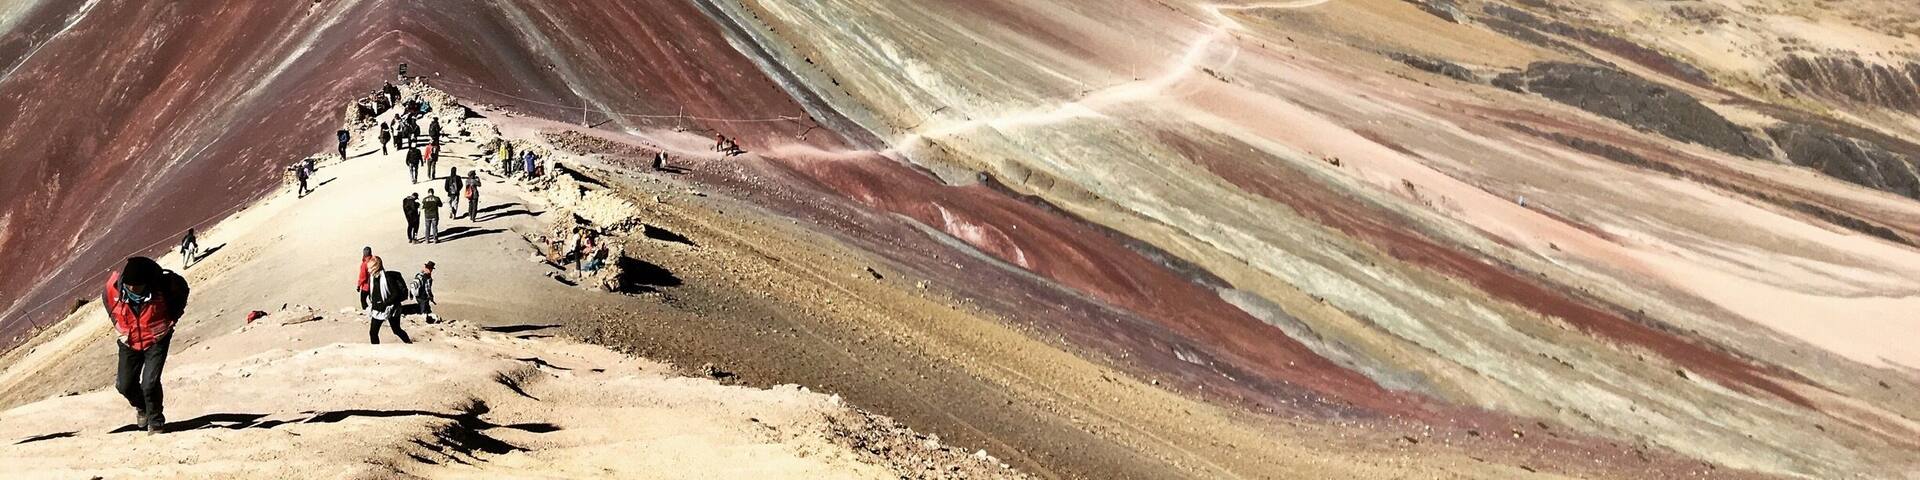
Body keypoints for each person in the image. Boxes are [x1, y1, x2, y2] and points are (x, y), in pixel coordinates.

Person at [103, 257, 189, 434]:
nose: (133, 290)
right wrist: (118, 325)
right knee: (124, 385)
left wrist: (172, 319)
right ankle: (142, 408)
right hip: (129, 340)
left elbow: (182, 294)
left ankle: (156, 422)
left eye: (138, 287)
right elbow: (107, 302)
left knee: (149, 383)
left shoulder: (165, 287)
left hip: (157, 340)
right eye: (129, 286)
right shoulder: (113, 288)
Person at [364, 256, 414, 344]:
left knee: (396, 330)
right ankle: (376, 351)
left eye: (370, 268)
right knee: (373, 333)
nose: (368, 270)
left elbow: (395, 294)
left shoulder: (387, 278)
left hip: (391, 309)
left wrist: (384, 304)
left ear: (376, 267)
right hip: (377, 310)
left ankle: (409, 343)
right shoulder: (372, 278)